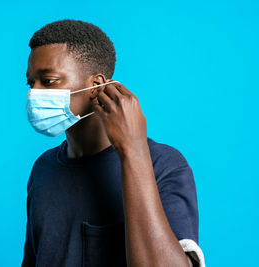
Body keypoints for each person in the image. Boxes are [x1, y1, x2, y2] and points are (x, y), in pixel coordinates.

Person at [21, 19, 205, 267]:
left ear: (95, 86)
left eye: (49, 80)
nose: (35, 93)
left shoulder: (163, 164)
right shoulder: (43, 168)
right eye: (31, 82)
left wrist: (133, 151)